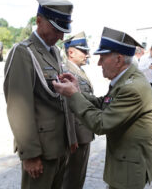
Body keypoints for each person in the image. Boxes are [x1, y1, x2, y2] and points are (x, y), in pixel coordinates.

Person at [53, 27, 152, 189]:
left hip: (128, 169)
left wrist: (73, 95)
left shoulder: (132, 88)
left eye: (102, 57)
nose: (99, 63)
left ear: (119, 59)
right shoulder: (125, 80)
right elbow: (104, 103)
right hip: (123, 163)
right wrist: (78, 91)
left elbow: (101, 124)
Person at [3, 0, 76, 189]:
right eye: (56, 29)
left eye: (63, 30)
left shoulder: (54, 52)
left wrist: (71, 137)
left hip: (59, 146)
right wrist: (30, 154)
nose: (60, 36)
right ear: (38, 20)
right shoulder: (23, 53)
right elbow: (19, 108)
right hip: (41, 152)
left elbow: (62, 101)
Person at [62, 32, 94, 189]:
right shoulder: (67, 71)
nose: (87, 55)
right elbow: (67, 106)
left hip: (83, 132)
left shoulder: (77, 70)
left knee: (78, 177)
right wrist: (72, 138)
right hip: (76, 136)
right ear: (71, 52)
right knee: (72, 179)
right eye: (84, 51)